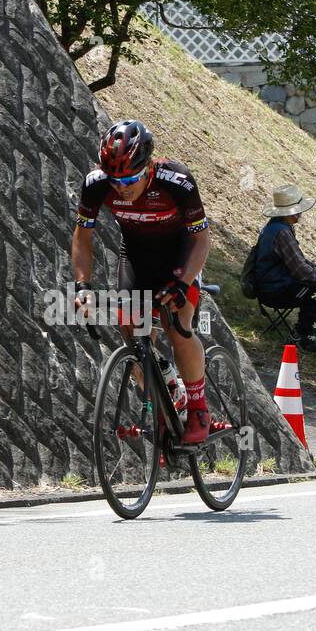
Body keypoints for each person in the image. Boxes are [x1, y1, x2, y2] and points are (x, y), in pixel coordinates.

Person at [71, 120, 214, 442]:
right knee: (133, 334)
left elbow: (202, 240)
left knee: (179, 325)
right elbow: (82, 236)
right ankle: (163, 388)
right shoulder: (96, 184)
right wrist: (83, 286)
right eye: (115, 180)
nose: (122, 187)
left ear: (148, 167)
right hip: (136, 256)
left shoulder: (176, 181)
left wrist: (183, 283)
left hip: (181, 257)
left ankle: (198, 406)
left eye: (131, 179)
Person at [252, 184, 316, 352]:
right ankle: (302, 336)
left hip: (269, 286)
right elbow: (300, 270)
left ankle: (302, 333)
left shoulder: (275, 227)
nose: (300, 213)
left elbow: (298, 260)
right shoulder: (282, 232)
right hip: (275, 290)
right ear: (291, 212)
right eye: (298, 210)